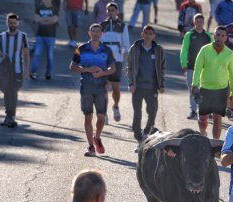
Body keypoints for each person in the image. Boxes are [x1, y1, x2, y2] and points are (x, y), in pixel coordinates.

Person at [70, 24, 116, 156]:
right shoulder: (81, 49)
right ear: (89, 33)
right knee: (88, 117)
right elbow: (72, 66)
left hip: (101, 88)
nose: (95, 33)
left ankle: (97, 137)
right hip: (86, 88)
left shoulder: (107, 50)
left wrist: (101, 73)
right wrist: (87, 70)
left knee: (101, 118)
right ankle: (91, 147)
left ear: (101, 34)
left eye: (98, 31)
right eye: (93, 31)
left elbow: (113, 68)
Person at [191, 26, 233, 138]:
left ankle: (215, 144)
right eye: (218, 35)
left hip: (221, 90)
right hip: (205, 89)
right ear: (214, 36)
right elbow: (197, 68)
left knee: (217, 119)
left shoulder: (229, 53)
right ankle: (203, 134)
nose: (219, 38)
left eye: (222, 36)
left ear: (226, 38)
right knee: (202, 119)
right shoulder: (205, 50)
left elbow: (232, 74)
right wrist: (195, 84)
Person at [127, 25, 165, 152]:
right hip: (138, 87)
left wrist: (162, 84)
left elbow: (162, 68)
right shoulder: (135, 48)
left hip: (152, 87)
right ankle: (139, 138)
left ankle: (145, 134)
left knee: (152, 113)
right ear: (142, 34)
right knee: (137, 114)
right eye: (146, 33)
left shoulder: (158, 50)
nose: (148, 35)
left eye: (150, 33)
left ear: (153, 36)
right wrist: (131, 83)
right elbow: (130, 66)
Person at [0, 13, 30, 128]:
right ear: (7, 23)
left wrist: (27, 70)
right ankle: (9, 116)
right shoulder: (2, 36)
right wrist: (1, 53)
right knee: (6, 93)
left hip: (17, 70)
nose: (12, 24)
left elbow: (26, 54)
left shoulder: (22, 36)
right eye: (10, 22)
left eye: (14, 23)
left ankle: (11, 116)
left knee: (13, 93)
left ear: (18, 23)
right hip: (5, 70)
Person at [180, 13, 213, 120]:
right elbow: (184, 50)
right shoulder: (189, 35)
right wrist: (183, 64)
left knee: (206, 90)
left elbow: (213, 52)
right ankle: (193, 111)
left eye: (201, 22)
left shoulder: (208, 36)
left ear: (204, 23)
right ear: (194, 22)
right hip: (191, 67)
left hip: (205, 68)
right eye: (197, 21)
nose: (199, 23)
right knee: (193, 89)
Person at [101, 2, 130, 123]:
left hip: (117, 60)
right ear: (106, 12)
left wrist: (126, 62)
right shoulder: (102, 25)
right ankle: (104, 112)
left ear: (117, 12)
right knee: (104, 87)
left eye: (113, 10)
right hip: (104, 59)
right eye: (109, 10)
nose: (111, 12)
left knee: (116, 87)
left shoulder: (122, 26)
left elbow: (126, 45)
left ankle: (116, 106)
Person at [30, 0, 59, 81]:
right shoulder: (39, 8)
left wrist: (42, 20)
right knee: (36, 54)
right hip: (40, 35)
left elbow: (54, 20)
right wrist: (48, 20)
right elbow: (36, 19)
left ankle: (48, 73)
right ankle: (33, 72)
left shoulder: (55, 8)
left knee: (50, 56)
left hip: (51, 36)